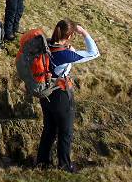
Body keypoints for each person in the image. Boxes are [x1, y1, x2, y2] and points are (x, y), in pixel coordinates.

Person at [37, 19, 100, 172]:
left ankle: (42, 163)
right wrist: (84, 32)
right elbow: (94, 53)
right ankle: (65, 166)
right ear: (70, 36)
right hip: (61, 96)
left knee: (49, 129)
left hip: (45, 93)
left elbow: (56, 49)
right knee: (65, 132)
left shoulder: (45, 44)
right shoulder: (66, 55)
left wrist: (68, 48)